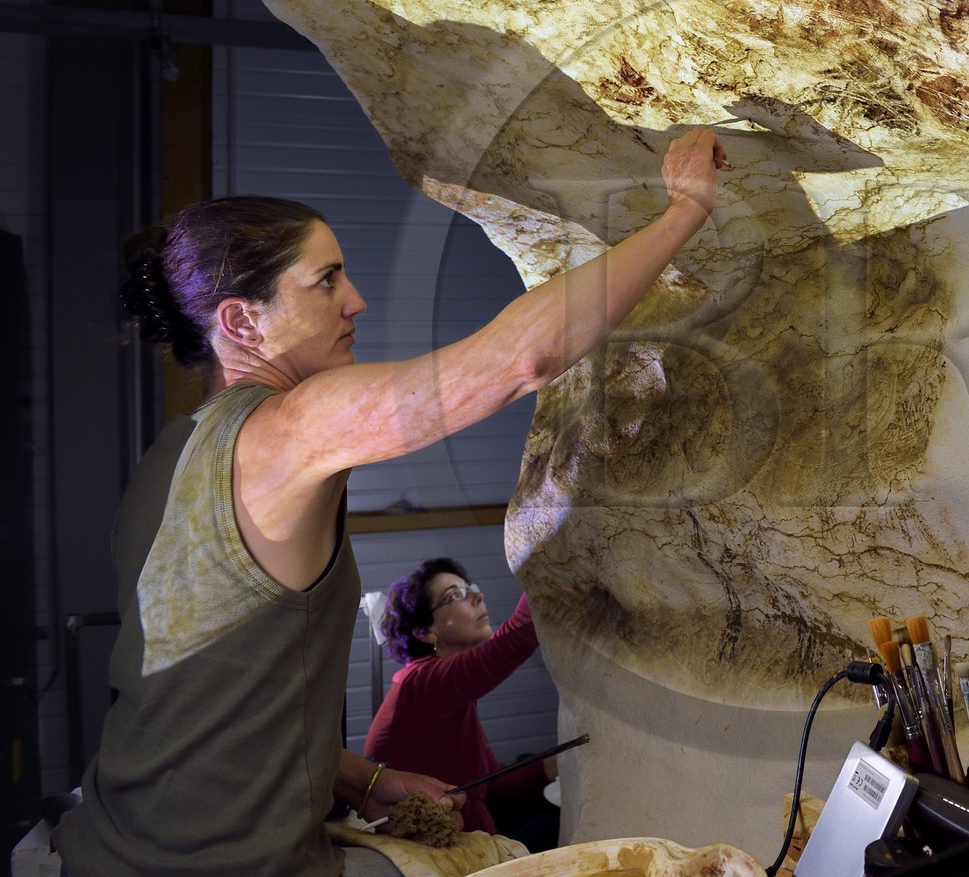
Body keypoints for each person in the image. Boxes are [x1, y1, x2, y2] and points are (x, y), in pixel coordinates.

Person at [54, 128, 726, 876]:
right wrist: (685, 210)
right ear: (243, 322)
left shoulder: (168, 460)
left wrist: (366, 777)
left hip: (113, 843)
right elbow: (518, 359)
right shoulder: (285, 427)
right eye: (327, 280)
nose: (356, 300)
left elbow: (216, 703)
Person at [365, 558, 558, 852]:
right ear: (424, 632)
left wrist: (556, 765)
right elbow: (517, 635)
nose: (477, 597)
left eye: (470, 589)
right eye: (454, 595)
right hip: (446, 854)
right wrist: (548, 557)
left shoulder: (446, 692)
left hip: (471, 840)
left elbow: (494, 783)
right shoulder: (420, 685)